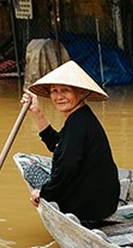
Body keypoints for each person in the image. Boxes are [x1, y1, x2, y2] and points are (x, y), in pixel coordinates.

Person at [21, 60, 120, 225]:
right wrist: (37, 112)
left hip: (88, 208)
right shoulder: (80, 117)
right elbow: (57, 145)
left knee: (31, 170)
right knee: (46, 171)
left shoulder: (78, 123)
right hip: (104, 204)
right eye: (54, 91)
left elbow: (67, 167)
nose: (59, 97)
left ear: (79, 93)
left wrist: (44, 193)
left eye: (65, 91)